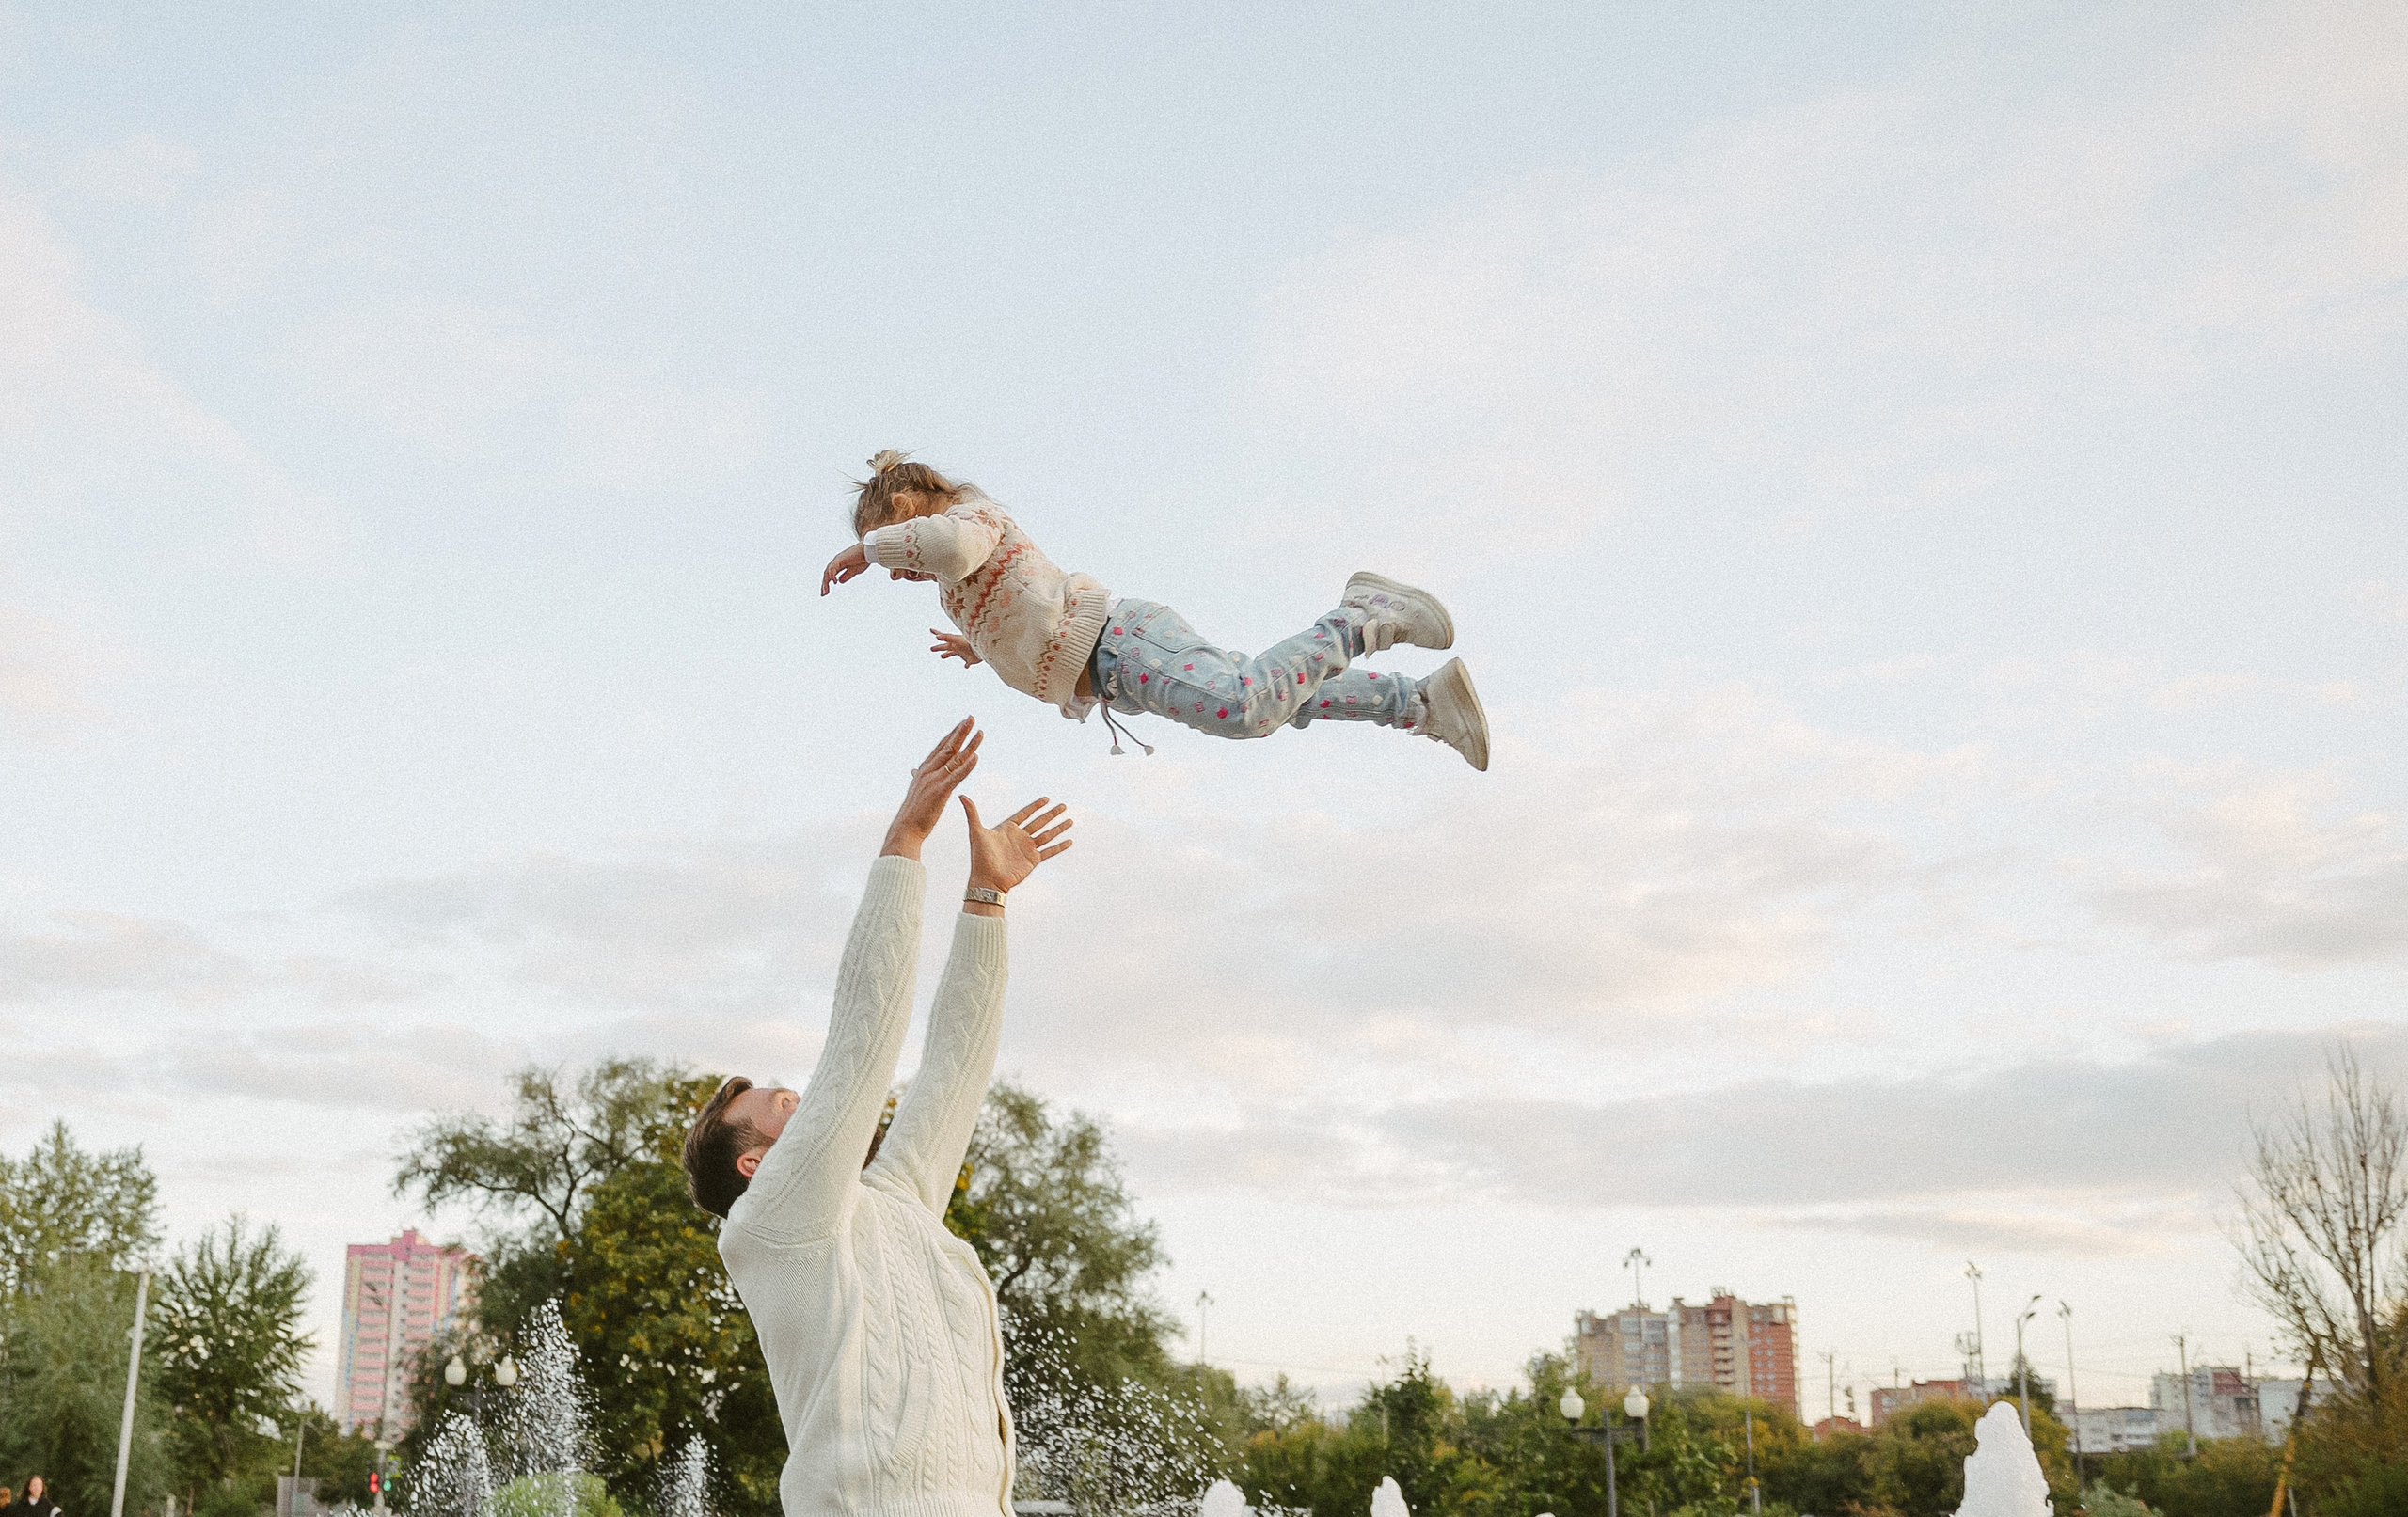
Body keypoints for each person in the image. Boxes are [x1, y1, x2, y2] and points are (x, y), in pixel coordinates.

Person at [680, 718, 1072, 1516]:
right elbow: (864, 1037)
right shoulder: (768, 1228)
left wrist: (987, 899)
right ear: (754, 1165)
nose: (813, 1101)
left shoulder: (895, 1205)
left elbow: (955, 1069)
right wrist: (906, 841)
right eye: (786, 1105)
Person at [820, 450, 1492, 770]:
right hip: (1115, 667)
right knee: (1283, 698)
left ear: (905, 511)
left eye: (892, 542)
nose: (896, 568)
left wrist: (866, 548)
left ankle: (1361, 615)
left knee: (1247, 708)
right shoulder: (955, 586)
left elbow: (951, 544)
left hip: (1120, 641)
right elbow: (1015, 608)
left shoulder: (970, 519)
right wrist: (981, 647)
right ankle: (1421, 702)